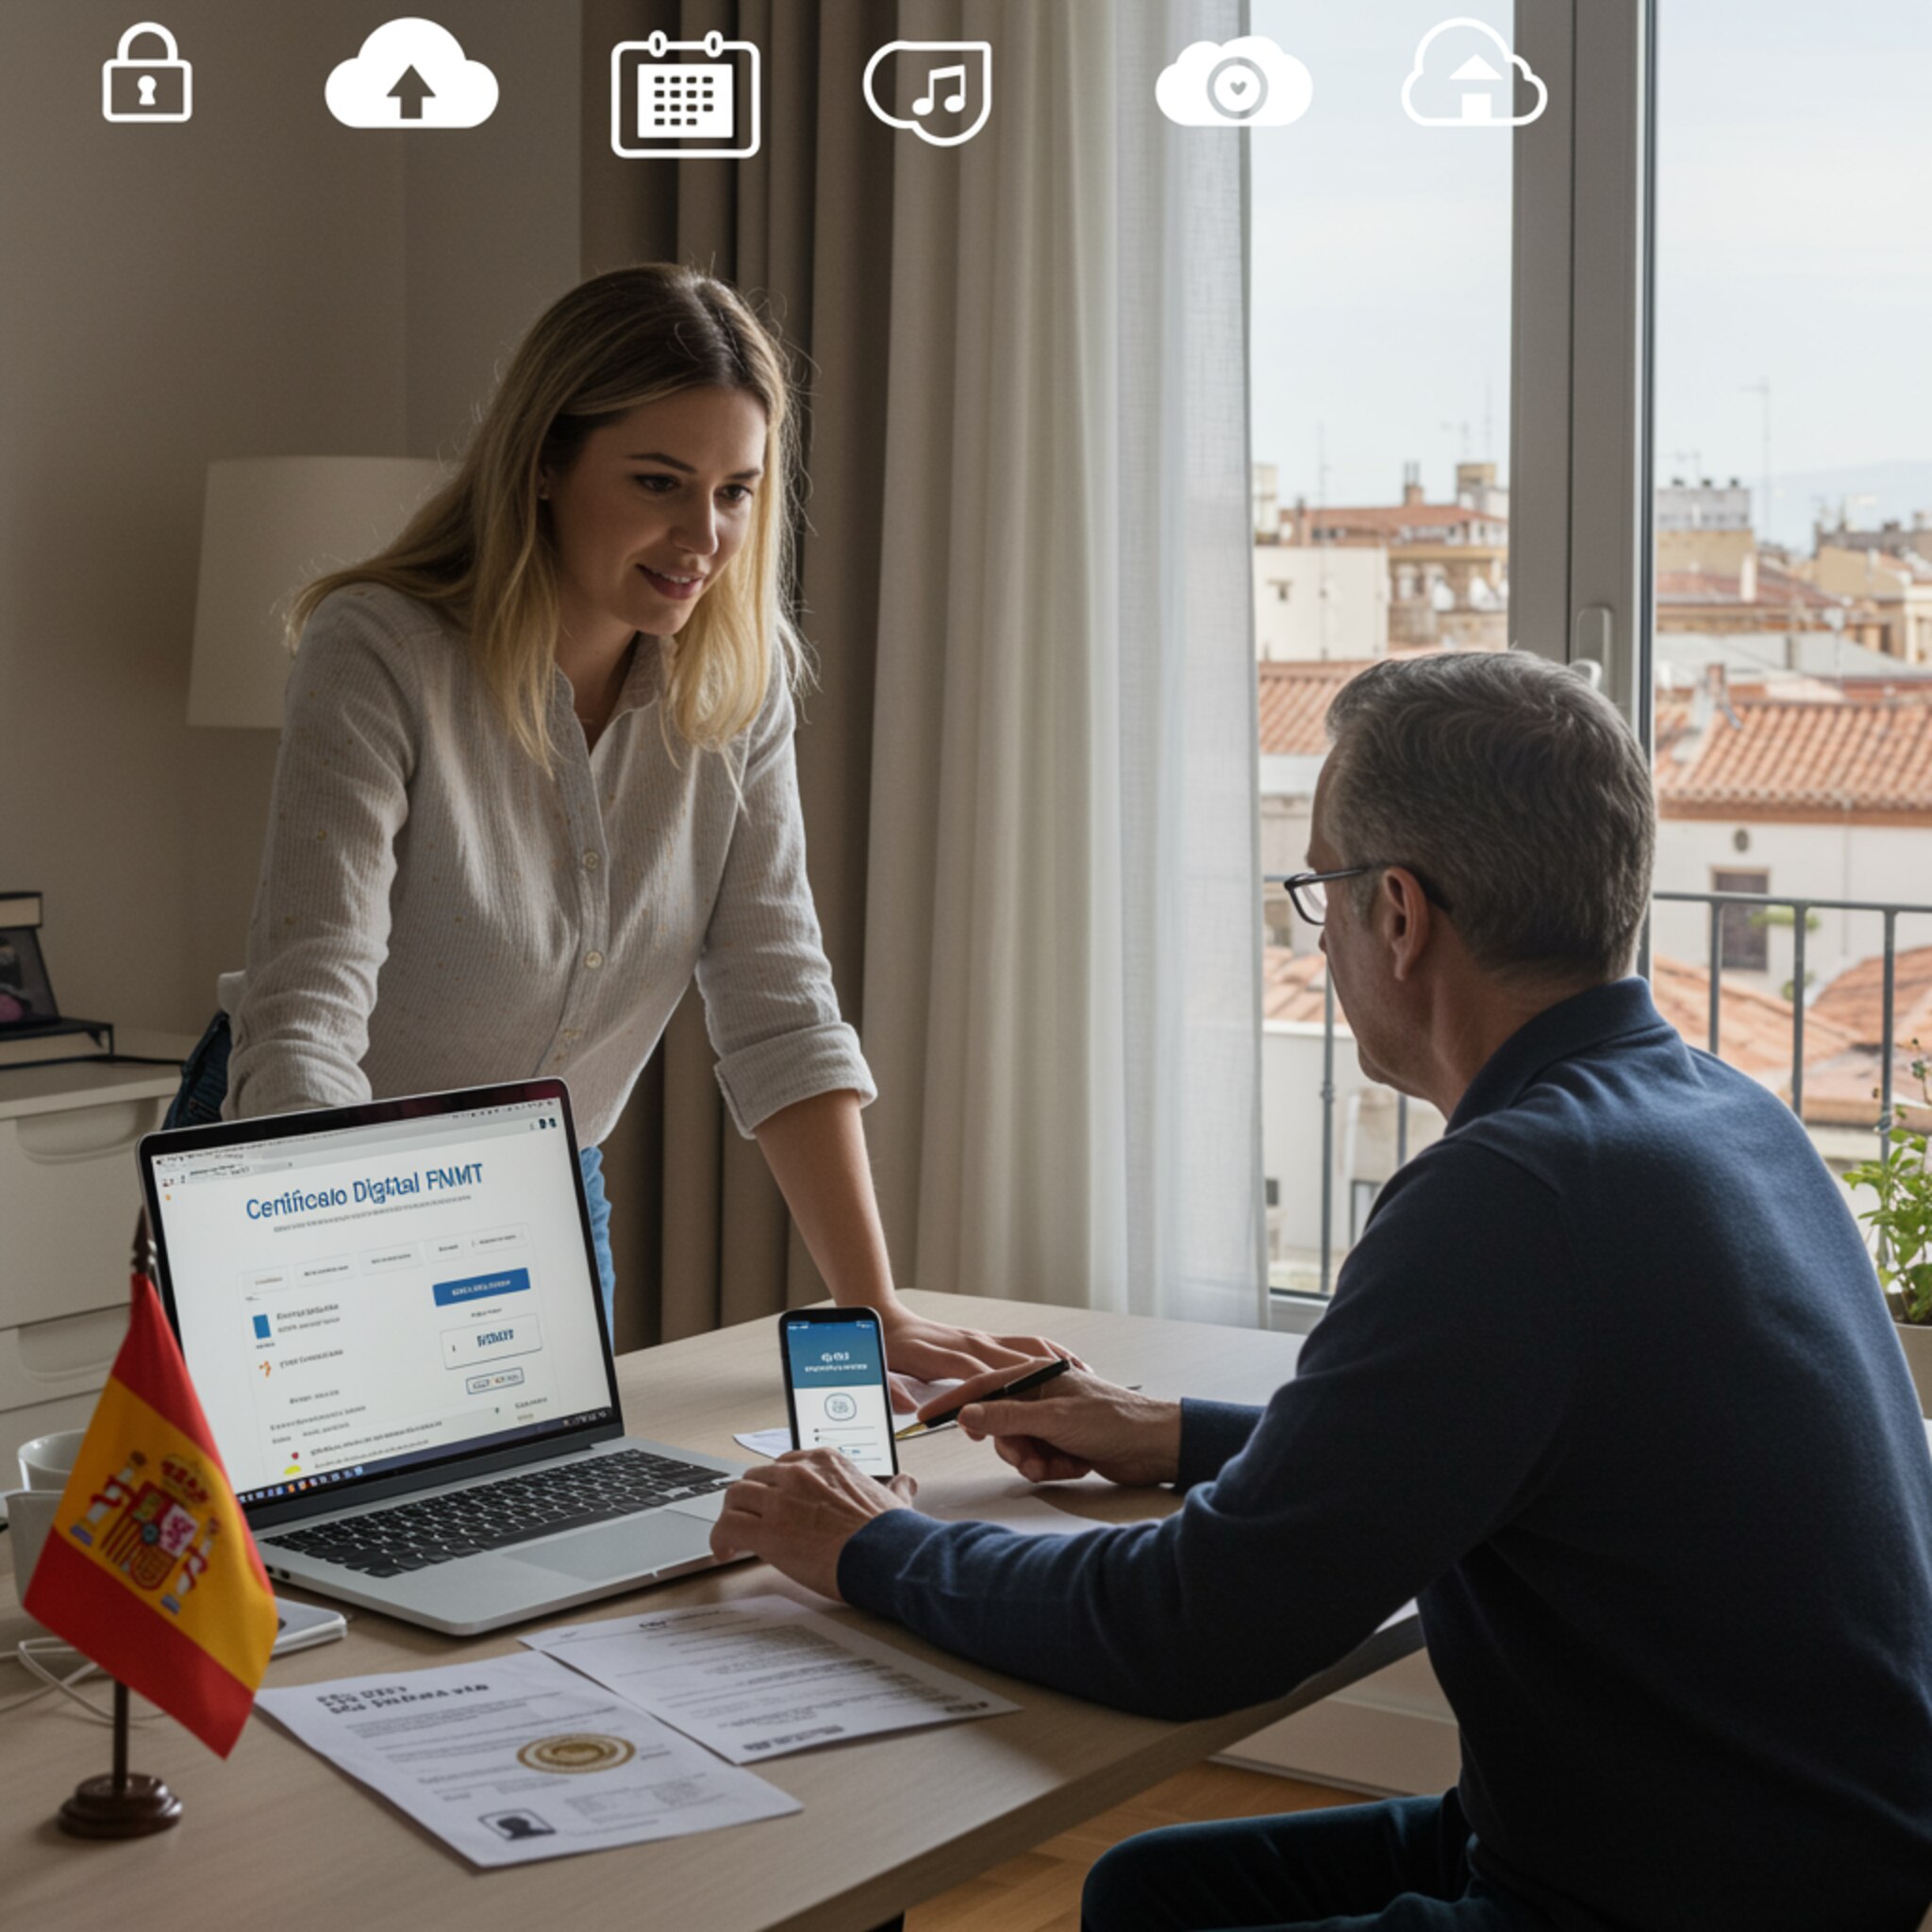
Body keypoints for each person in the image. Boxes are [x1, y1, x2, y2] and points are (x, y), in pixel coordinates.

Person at [710, 651, 1932, 1931]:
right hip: (1784, 1854)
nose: (1325, 926)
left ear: (1398, 915)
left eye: (1320, 890)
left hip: (1658, 1906)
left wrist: (865, 1543)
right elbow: (1512, 1446)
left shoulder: (1515, 1192)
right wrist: (1171, 1432)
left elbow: (1194, 1631)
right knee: (1148, 1891)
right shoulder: (1724, 1110)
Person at [164, 263, 1066, 1394]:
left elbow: (778, 1002)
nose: (704, 535)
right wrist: (349, 1269)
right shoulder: (380, 649)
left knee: (543, 1532)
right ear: (543, 460)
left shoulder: (736, 692)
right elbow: (307, 1016)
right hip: (306, 1164)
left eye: (736, 491)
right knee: (292, 1550)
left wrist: (870, 1303)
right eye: (657, 481)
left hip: (539, 1189)